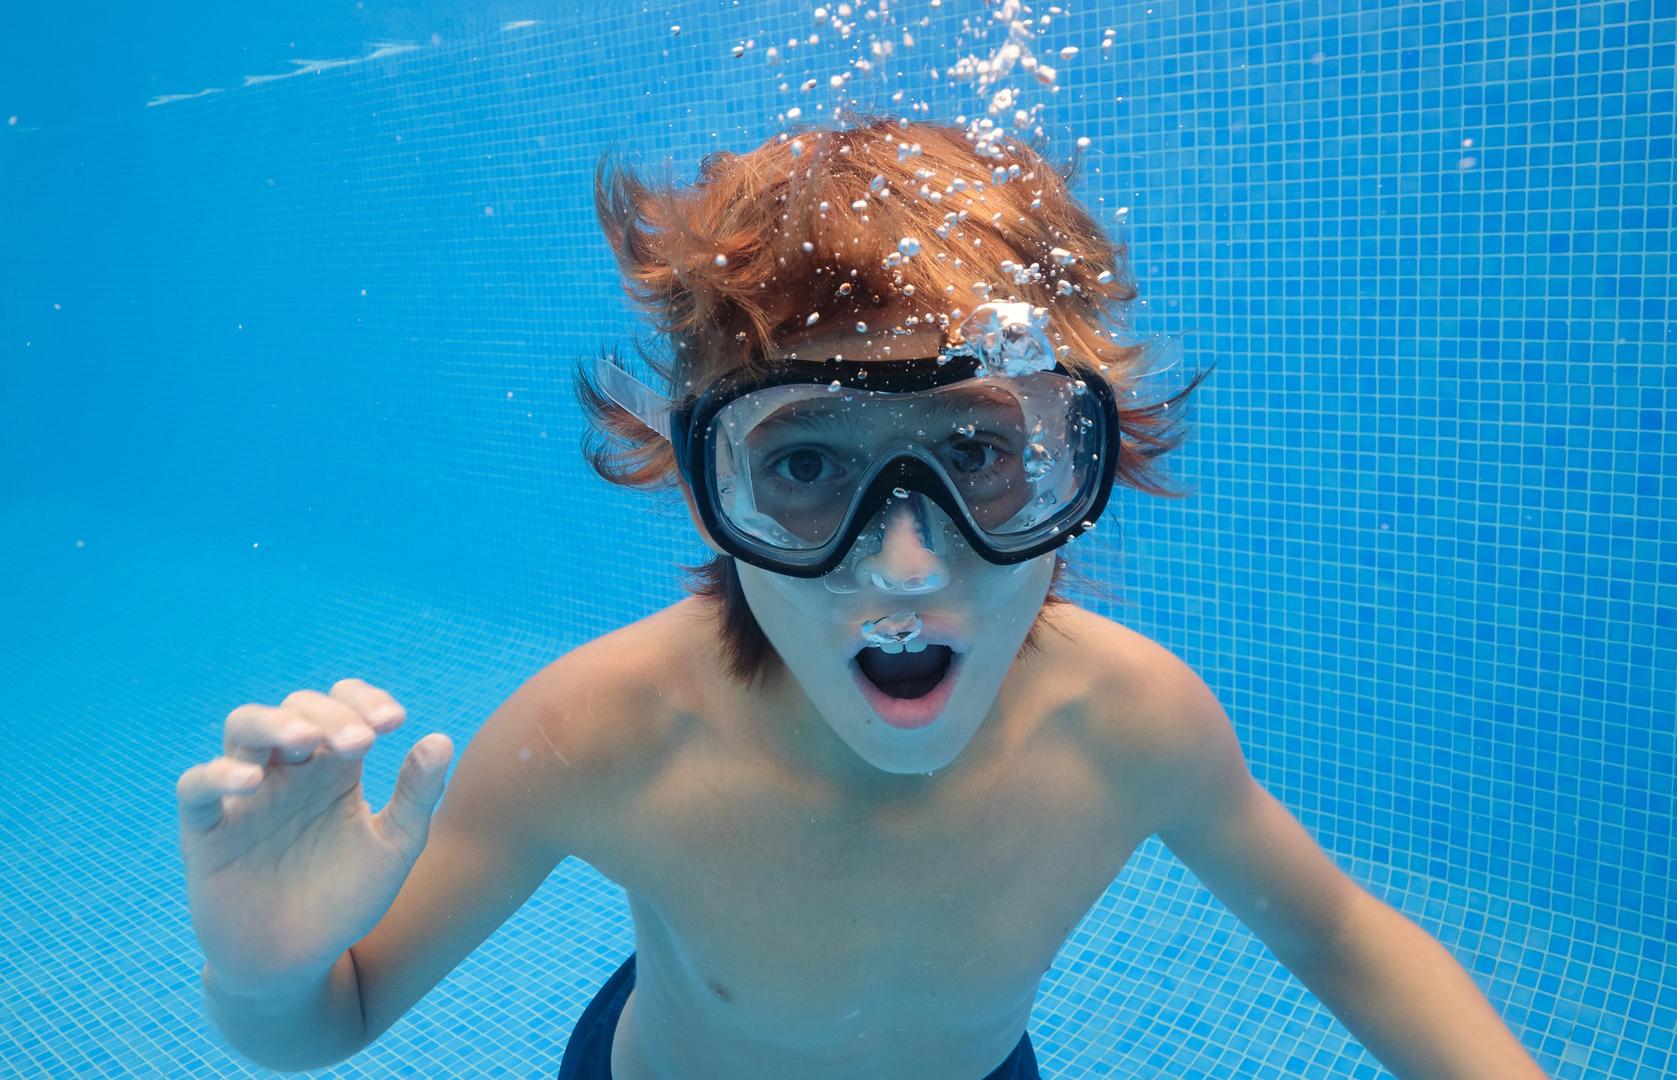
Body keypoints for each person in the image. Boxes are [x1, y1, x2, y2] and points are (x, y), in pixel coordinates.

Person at [176, 115, 1545, 1079]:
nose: (904, 565)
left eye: (976, 455)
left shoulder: (1131, 725)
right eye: (812, 463)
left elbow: (1338, 932)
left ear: (1081, 459)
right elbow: (332, 1021)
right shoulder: (602, 735)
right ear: (710, 484)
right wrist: (265, 976)